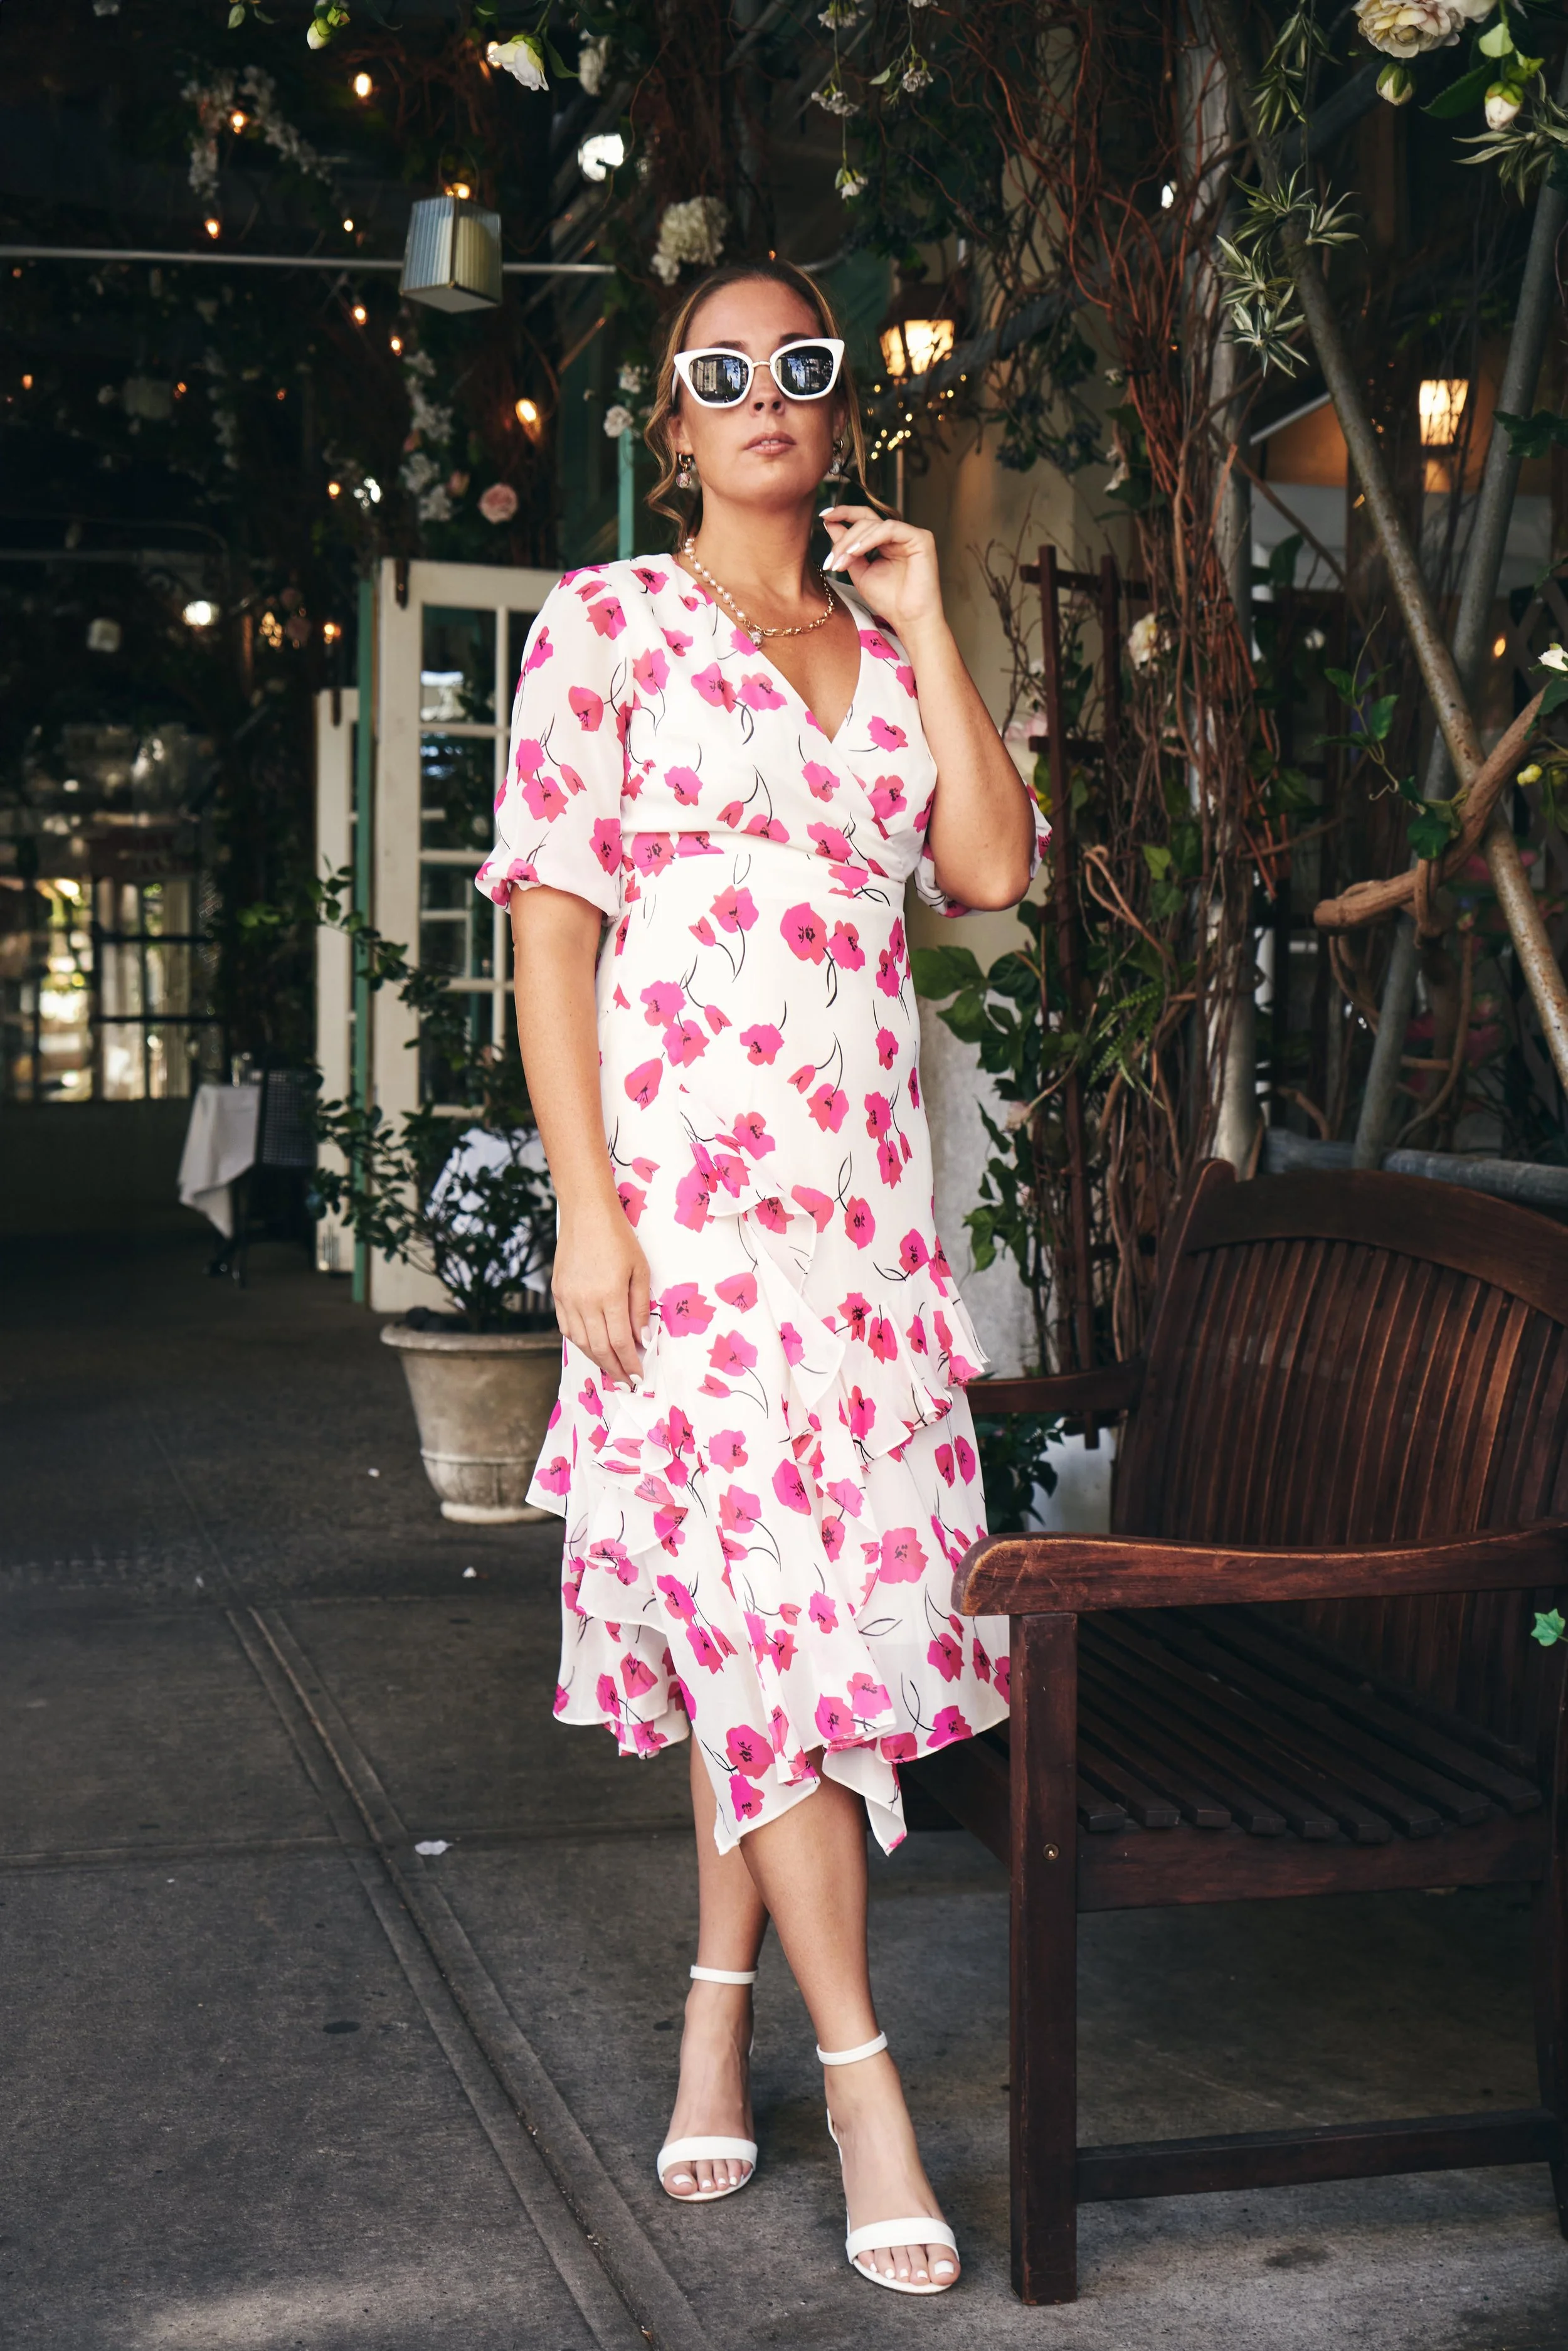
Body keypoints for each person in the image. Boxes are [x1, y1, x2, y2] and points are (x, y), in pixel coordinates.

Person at [478, 257, 1042, 2296]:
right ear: (673, 420)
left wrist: (931, 616)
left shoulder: (884, 646)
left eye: (796, 364)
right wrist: (587, 1206)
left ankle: (715, 2010)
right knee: (771, 1615)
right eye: (719, 372)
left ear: (836, 404)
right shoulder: (608, 624)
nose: (762, 395)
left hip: (864, 1237)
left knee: (783, 1638)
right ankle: (864, 2077)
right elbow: (553, 930)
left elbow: (984, 867)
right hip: (691, 1227)